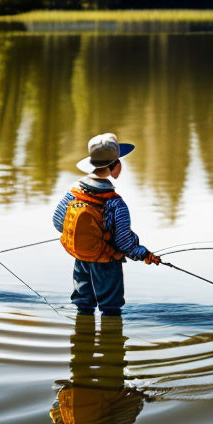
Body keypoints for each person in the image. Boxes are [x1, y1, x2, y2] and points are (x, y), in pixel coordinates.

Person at [53, 133, 160, 316]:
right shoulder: (116, 203)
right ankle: (111, 339)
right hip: (107, 263)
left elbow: (57, 222)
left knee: (83, 305)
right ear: (115, 166)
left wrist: (83, 235)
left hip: (81, 259)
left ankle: (82, 340)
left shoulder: (73, 193)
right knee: (111, 308)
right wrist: (144, 254)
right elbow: (124, 243)